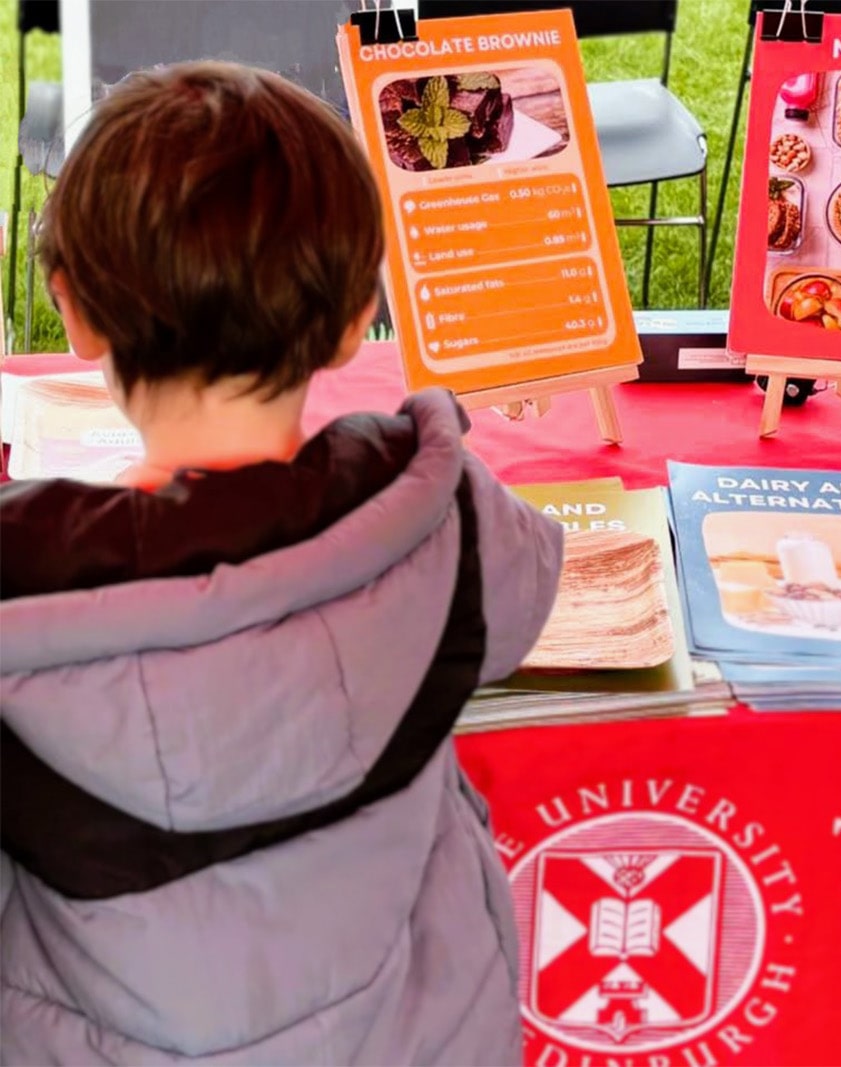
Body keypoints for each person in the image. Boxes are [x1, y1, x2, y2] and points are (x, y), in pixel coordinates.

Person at [0, 62, 563, 1064]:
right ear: (356, 320)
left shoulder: (26, 573)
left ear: (72, 311)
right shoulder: (438, 507)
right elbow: (528, 594)